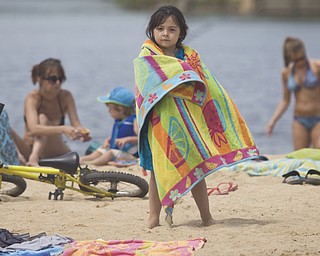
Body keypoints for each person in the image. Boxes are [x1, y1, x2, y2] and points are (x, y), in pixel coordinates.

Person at [133, 5, 259, 229]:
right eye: (160, 28)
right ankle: (153, 217)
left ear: (181, 33)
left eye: (172, 29)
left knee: (197, 169)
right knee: (157, 170)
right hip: (161, 121)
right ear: (151, 31)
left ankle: (206, 216)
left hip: (190, 122)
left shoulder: (190, 56)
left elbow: (207, 85)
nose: (165, 34)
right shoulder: (147, 57)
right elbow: (145, 89)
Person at [12, 58, 91, 166]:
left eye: (61, 78)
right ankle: (29, 157)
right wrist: (63, 129)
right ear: (40, 79)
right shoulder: (32, 98)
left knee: (43, 119)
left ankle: (34, 159)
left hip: (55, 151)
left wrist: (81, 132)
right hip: (29, 149)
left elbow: (76, 123)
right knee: (5, 126)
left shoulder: (66, 97)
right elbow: (33, 129)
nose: (58, 83)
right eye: (53, 79)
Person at [266, 37, 320, 150]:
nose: (300, 62)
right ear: (290, 58)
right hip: (299, 119)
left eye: (302, 58)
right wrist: (273, 121)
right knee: (299, 156)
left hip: (318, 118)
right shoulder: (286, 73)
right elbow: (285, 100)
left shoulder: (316, 67)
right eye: (296, 60)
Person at [80, 87, 138, 166]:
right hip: (117, 152)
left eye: (110, 109)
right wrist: (107, 141)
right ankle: (81, 160)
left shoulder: (134, 121)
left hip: (130, 156)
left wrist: (127, 139)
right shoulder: (119, 121)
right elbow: (114, 137)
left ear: (121, 110)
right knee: (101, 150)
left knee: (110, 153)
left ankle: (90, 164)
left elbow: (141, 139)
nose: (108, 111)